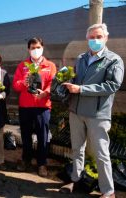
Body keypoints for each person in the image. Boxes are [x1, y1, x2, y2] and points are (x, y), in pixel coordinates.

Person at [59, 23, 124, 198]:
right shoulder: (81, 59)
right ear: (87, 39)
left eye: (99, 37)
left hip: (98, 114)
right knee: (77, 149)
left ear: (106, 38)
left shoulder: (114, 60)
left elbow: (112, 85)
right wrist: (65, 80)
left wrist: (81, 89)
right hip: (76, 111)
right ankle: (76, 179)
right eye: (92, 37)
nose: (95, 40)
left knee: (101, 153)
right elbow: (77, 79)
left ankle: (108, 191)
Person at [13, 37, 56, 177]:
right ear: (28, 50)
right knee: (25, 135)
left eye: (38, 47)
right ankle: (26, 160)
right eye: (32, 48)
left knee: (42, 136)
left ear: (42, 48)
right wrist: (24, 82)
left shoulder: (50, 65)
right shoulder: (22, 65)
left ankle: (42, 163)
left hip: (43, 107)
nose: (35, 50)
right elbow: (15, 85)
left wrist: (46, 93)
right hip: (25, 106)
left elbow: (53, 84)